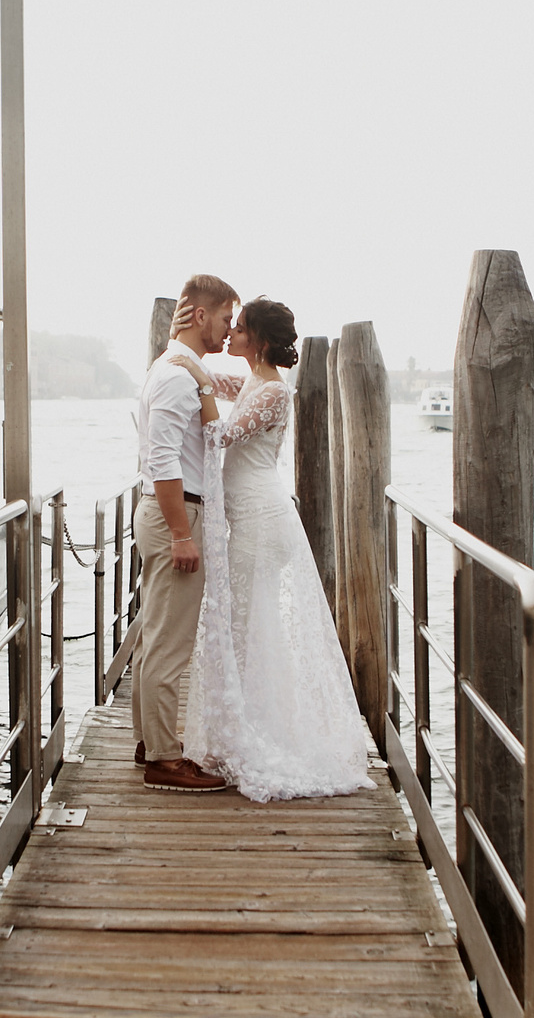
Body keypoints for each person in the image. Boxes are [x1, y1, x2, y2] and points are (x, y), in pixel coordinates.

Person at [179, 297, 375, 802]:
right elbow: (209, 379)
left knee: (246, 628)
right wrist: (185, 354)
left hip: (262, 523)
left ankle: (252, 737)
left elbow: (220, 433)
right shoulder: (251, 382)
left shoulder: (272, 392)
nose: (233, 333)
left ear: (260, 340)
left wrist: (200, 381)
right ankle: (245, 729)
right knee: (249, 628)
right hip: (251, 520)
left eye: (241, 328)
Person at [130, 274, 237, 792]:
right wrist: (180, 533)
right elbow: (163, 459)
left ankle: (149, 742)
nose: (229, 329)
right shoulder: (177, 376)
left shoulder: (178, 367)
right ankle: (164, 760)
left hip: (170, 511)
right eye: (225, 318)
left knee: (156, 637)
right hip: (176, 513)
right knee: (170, 645)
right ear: (200, 315)